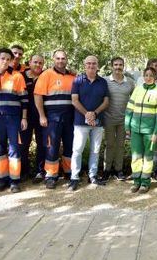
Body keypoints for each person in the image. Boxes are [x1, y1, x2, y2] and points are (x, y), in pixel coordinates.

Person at [0, 47, 28, 193]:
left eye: (8, 59)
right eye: (2, 58)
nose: (5, 61)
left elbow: (24, 100)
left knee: (14, 148)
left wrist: (24, 118)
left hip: (13, 118)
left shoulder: (17, 76)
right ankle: (2, 179)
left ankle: (14, 181)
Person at [34, 50, 76, 189]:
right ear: (53, 59)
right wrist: (42, 115)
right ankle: (51, 175)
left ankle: (69, 173)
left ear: (67, 59)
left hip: (69, 117)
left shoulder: (72, 76)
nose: (60, 61)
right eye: (57, 58)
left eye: (63, 58)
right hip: (52, 117)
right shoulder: (46, 74)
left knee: (70, 145)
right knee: (52, 146)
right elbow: (38, 95)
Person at [70, 55, 109, 190]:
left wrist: (95, 113)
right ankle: (74, 177)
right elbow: (74, 100)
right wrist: (87, 114)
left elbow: (106, 101)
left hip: (98, 122)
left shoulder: (103, 82)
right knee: (77, 150)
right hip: (81, 122)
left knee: (95, 150)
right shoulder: (78, 81)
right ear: (84, 65)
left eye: (94, 64)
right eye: (89, 63)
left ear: (97, 65)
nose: (91, 66)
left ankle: (93, 176)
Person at [125, 67, 157, 193]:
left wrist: (156, 131)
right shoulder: (137, 89)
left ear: (155, 78)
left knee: (148, 157)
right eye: (146, 75)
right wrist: (127, 126)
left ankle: (145, 183)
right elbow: (130, 109)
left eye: (151, 75)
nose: (148, 78)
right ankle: (136, 181)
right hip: (135, 129)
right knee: (136, 157)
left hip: (150, 132)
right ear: (143, 76)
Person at [104, 57, 135, 181]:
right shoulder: (105, 81)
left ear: (124, 66)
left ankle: (119, 170)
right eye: (115, 64)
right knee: (110, 145)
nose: (118, 67)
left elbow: (134, 99)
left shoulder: (130, 82)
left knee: (120, 145)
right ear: (112, 66)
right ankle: (107, 170)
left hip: (124, 119)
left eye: (120, 64)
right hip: (109, 118)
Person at [20, 54, 46, 181]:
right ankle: (24, 171)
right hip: (25, 116)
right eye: (35, 62)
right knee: (24, 144)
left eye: (40, 63)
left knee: (42, 144)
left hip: (42, 116)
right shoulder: (21, 76)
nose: (38, 65)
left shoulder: (46, 75)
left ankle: (40, 171)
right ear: (29, 62)